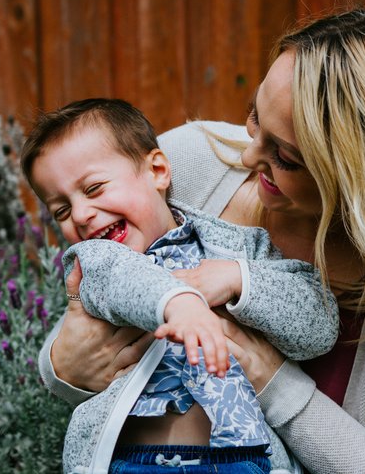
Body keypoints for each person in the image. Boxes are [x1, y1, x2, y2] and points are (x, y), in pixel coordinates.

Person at [40, 7, 365, 473]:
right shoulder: (191, 163)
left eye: (287, 158)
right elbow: (100, 297)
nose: (247, 153)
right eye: (255, 118)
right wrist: (63, 367)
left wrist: (278, 387)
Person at [21, 98, 338, 474]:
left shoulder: (238, 249)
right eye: (61, 210)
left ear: (157, 170)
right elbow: (127, 281)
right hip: (141, 463)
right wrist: (179, 302)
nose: (81, 215)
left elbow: (317, 326)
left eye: (93, 189)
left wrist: (241, 280)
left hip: (244, 460)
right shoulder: (96, 266)